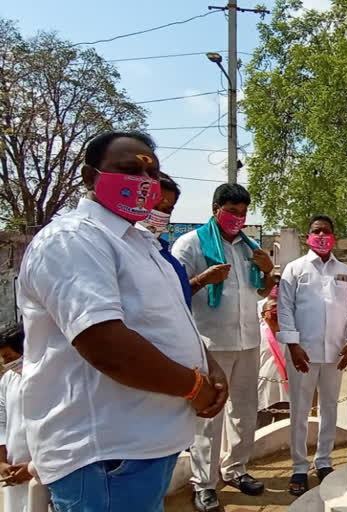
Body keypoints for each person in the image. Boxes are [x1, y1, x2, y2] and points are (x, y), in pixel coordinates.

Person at [16, 131, 227, 512]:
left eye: (152, 174)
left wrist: (209, 367)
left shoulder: (140, 245)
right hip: (105, 456)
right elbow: (106, 345)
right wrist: (196, 388)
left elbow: (170, 318)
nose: (143, 184)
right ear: (89, 175)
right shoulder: (74, 240)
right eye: (128, 170)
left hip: (142, 449)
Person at [172, 183, 276, 512]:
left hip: (247, 341)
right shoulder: (189, 244)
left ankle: (236, 469)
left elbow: (260, 293)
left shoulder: (250, 247)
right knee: (209, 415)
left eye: (243, 213)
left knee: (244, 410)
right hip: (209, 344)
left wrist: (267, 271)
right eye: (232, 212)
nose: (238, 219)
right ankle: (205, 483)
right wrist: (203, 279)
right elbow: (171, 294)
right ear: (216, 208)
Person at [277, 215, 347, 496]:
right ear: (307, 236)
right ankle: (299, 467)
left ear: (334, 236)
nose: (322, 235)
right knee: (300, 412)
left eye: (327, 231)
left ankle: (324, 462)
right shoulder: (295, 269)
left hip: (336, 353)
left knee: (329, 409)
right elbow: (285, 308)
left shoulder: (345, 271)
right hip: (302, 353)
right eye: (317, 231)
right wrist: (292, 344)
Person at [136, 172, 192, 307]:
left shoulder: (169, 260)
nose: (159, 214)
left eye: (167, 209)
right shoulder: (121, 253)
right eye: (153, 206)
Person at [0, 325, 32, 512]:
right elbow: (1, 422)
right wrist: (2, 462)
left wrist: (33, 467)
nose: (7, 365)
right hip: (13, 471)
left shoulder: (44, 378)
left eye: (10, 358)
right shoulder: (7, 381)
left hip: (41, 469)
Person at [256, 280, 290, 429]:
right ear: (264, 314)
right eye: (273, 308)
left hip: (286, 393)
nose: (276, 312)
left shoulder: (291, 335)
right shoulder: (256, 334)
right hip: (263, 393)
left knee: (283, 434)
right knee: (259, 433)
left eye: (280, 308)